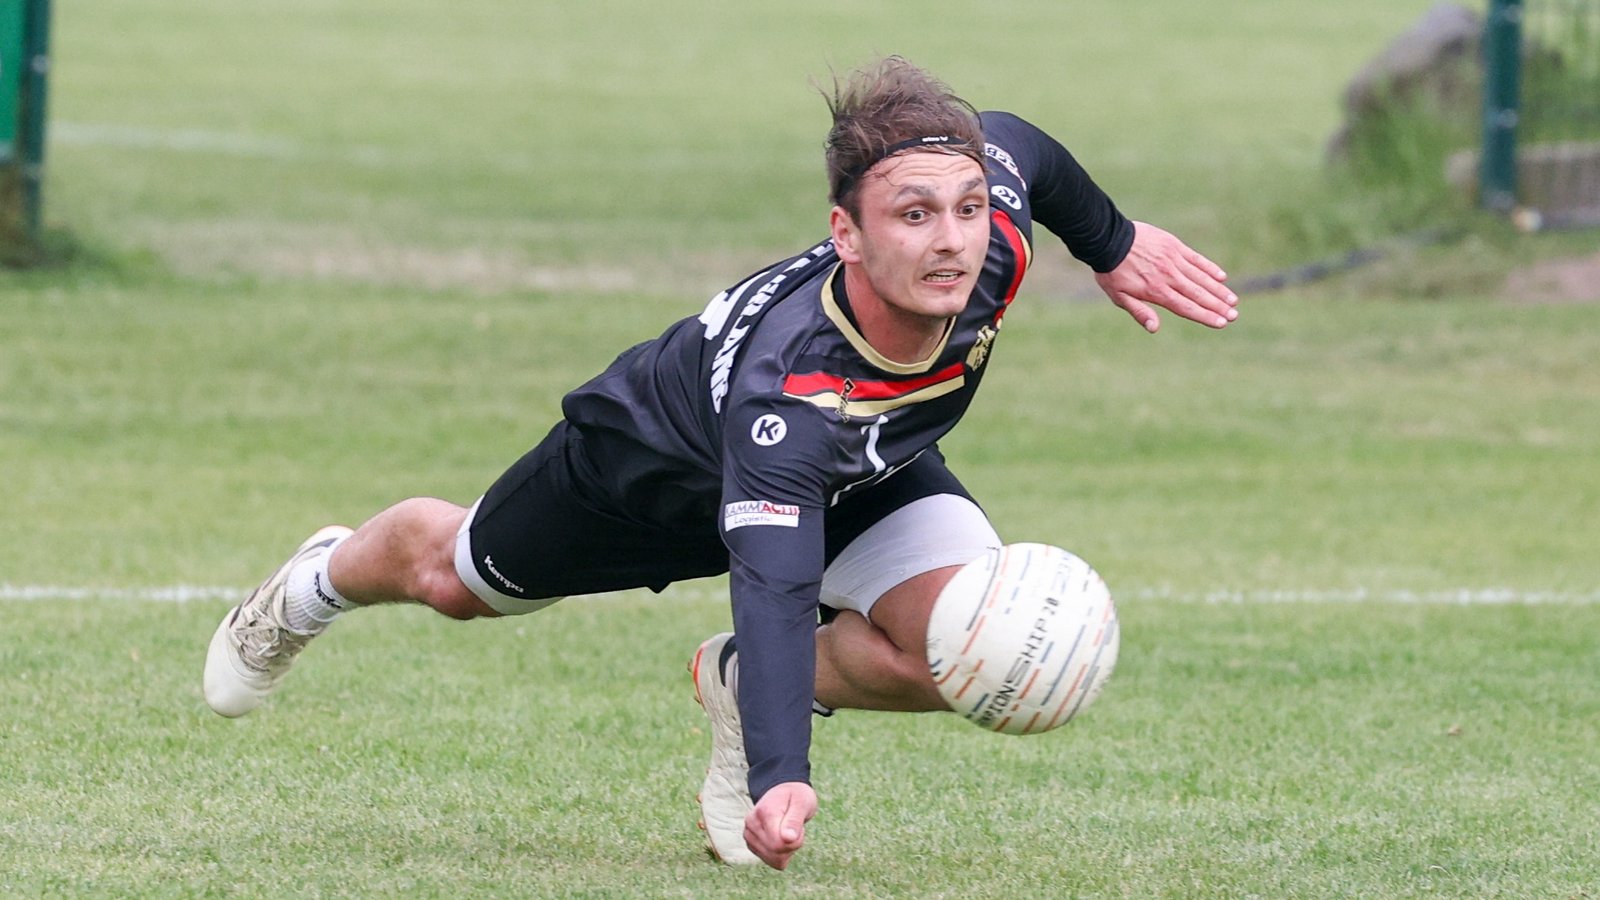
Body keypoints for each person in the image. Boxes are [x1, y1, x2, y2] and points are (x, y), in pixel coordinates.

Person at [203, 56, 1237, 871]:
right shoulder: (787, 393)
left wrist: (1108, 241)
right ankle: (312, 585)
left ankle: (737, 688)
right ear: (846, 231)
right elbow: (776, 582)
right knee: (456, 581)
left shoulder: (993, 243)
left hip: (865, 473)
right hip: (647, 471)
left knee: (962, 650)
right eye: (912, 215)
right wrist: (782, 776)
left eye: (964, 209)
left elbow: (1017, 145)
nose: (952, 241)